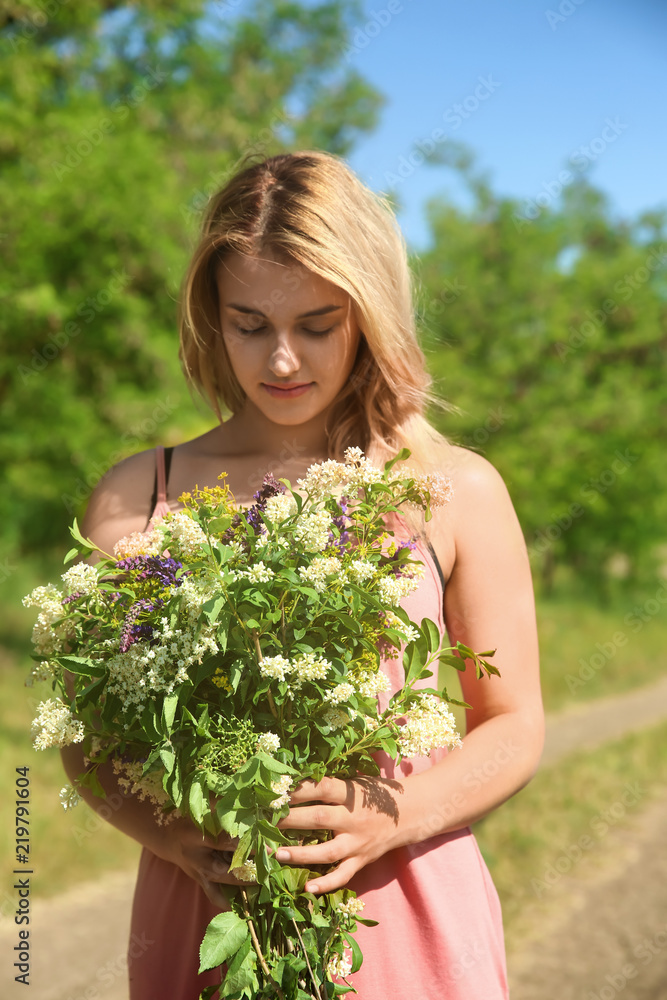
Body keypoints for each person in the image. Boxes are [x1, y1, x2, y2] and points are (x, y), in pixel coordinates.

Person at [61, 149, 544, 1000]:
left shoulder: (455, 487)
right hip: (206, 919)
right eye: (249, 323)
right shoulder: (142, 492)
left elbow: (511, 724)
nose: (281, 360)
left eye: (317, 324)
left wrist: (395, 816)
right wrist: (178, 838)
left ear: (369, 312)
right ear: (211, 315)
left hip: (406, 909)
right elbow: (85, 736)